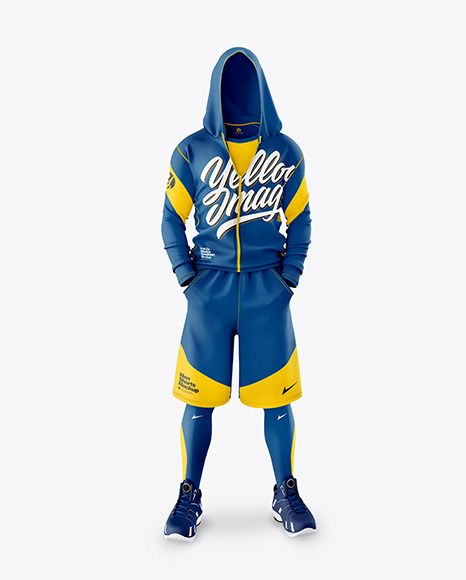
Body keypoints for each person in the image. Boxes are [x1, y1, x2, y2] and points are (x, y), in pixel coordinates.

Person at [161, 47, 316, 541]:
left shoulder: (286, 152)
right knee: (198, 399)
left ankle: (285, 491)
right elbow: (170, 218)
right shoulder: (191, 151)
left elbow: (302, 219)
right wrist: (187, 278)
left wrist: (289, 278)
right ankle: (189, 494)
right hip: (209, 290)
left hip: (267, 291)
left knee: (277, 400)